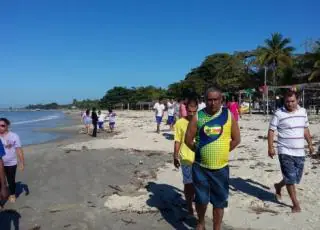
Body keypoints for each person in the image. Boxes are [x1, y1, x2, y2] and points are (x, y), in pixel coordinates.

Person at [185, 87, 241, 230]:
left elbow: (236, 139)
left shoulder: (228, 115)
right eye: (209, 99)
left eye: (216, 99)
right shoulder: (199, 116)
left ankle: (217, 227)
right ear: (205, 100)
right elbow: (188, 139)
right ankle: (201, 222)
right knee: (201, 200)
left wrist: (223, 151)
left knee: (219, 202)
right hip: (200, 168)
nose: (213, 103)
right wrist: (198, 151)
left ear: (221, 100)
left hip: (221, 169)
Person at [268, 90, 314, 213]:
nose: (290, 104)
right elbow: (271, 131)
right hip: (284, 150)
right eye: (287, 101)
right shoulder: (278, 113)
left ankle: (278, 185)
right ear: (284, 101)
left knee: (295, 178)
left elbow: (305, 129)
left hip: (299, 151)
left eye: (292, 101)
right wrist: (271, 147)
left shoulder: (303, 112)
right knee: (290, 178)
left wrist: (310, 144)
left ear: (297, 100)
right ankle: (295, 204)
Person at [174, 97, 198, 216]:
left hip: (199, 159)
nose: (192, 114)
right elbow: (177, 141)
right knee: (188, 184)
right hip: (186, 158)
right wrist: (175, 156)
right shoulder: (179, 123)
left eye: (194, 111)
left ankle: (196, 201)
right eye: (190, 111)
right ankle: (189, 205)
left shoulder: (201, 121)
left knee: (198, 184)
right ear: (186, 109)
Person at [0, 118, 25, 203]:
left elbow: (18, 149)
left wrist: (22, 162)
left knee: (11, 180)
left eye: (2, 125)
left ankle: (12, 194)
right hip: (0, 163)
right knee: (1, 180)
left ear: (7, 126)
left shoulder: (14, 136)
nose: (0, 127)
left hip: (11, 162)